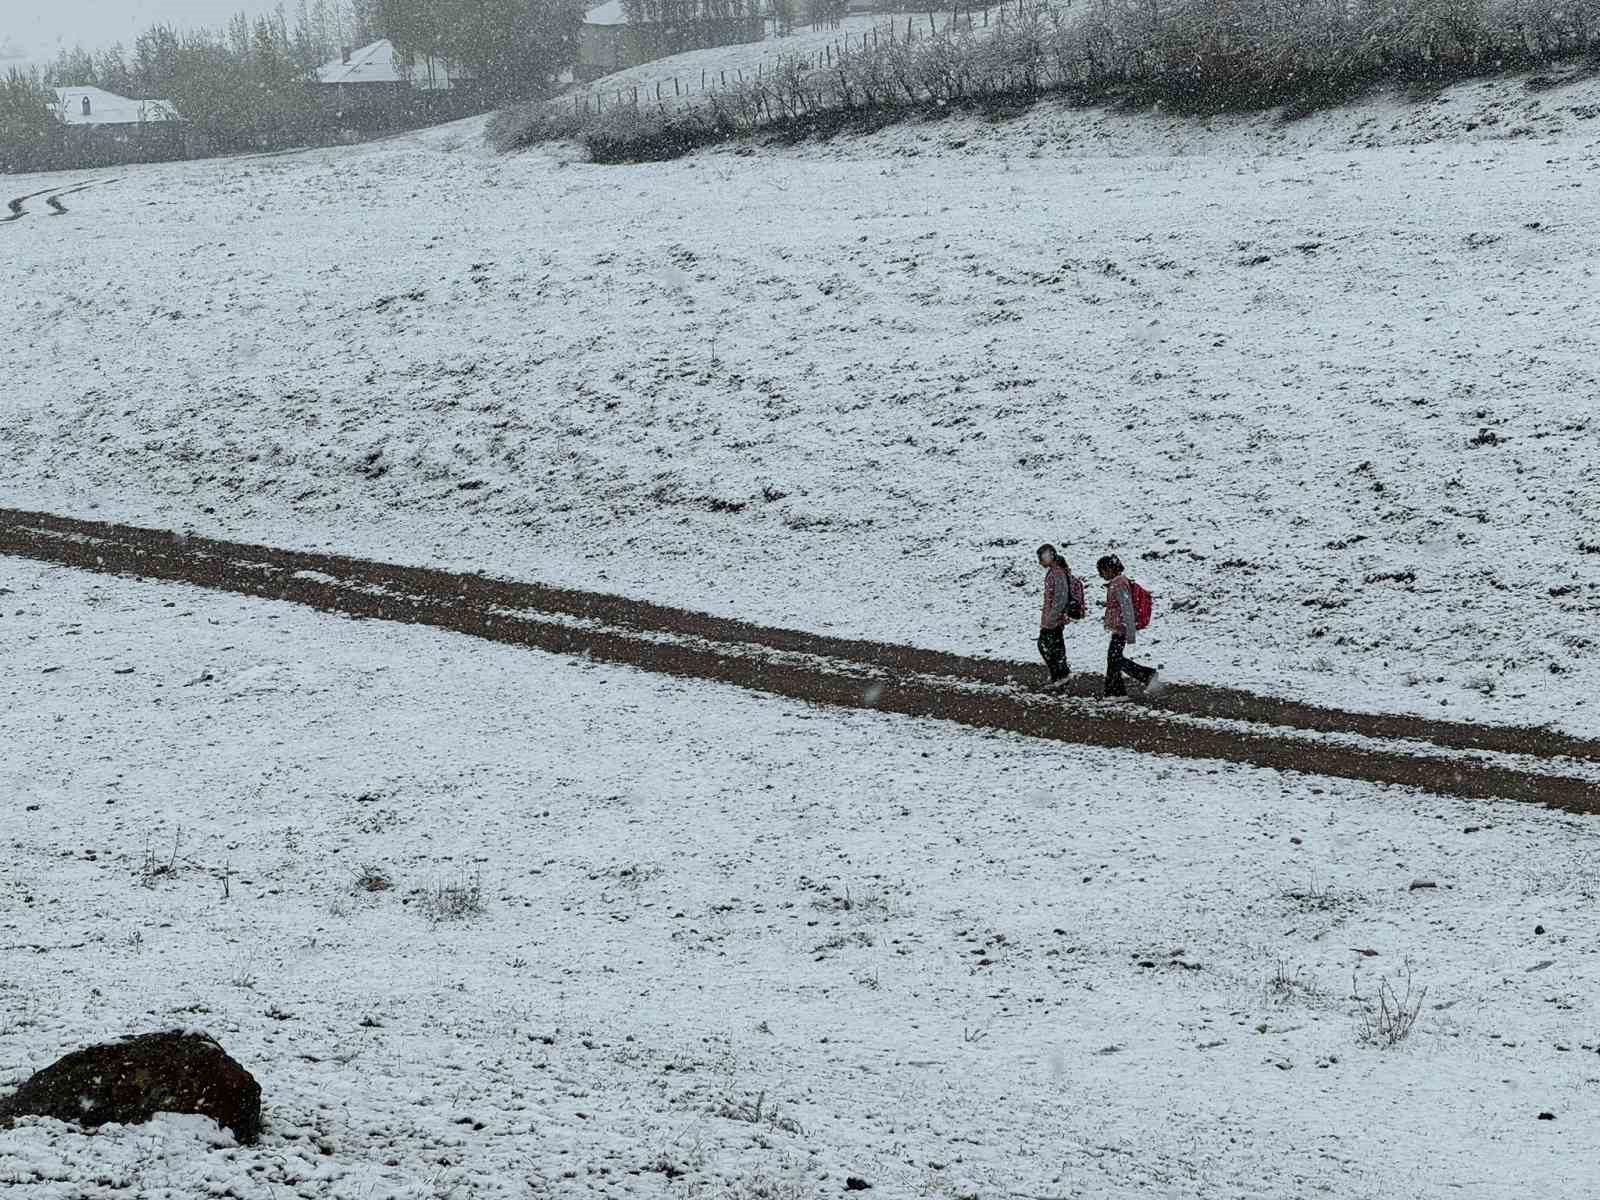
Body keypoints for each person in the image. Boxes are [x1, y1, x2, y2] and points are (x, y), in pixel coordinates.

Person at [1097, 554, 1161, 700]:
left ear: (1109, 569)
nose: (1101, 575)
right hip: (1120, 627)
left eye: (1101, 571)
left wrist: (1130, 632)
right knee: (1114, 659)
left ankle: (1144, 677)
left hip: (1121, 628)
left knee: (1115, 659)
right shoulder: (1117, 582)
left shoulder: (1119, 583)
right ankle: (1115, 691)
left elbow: (1127, 608)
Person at [1036, 544, 1078, 689]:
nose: (1039, 562)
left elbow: (1060, 598)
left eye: (1041, 558)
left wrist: (1051, 617)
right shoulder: (1055, 572)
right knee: (1055, 647)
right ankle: (1060, 677)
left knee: (1045, 645)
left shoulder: (1057, 573)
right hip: (1054, 617)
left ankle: (1060, 675)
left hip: (1053, 619)